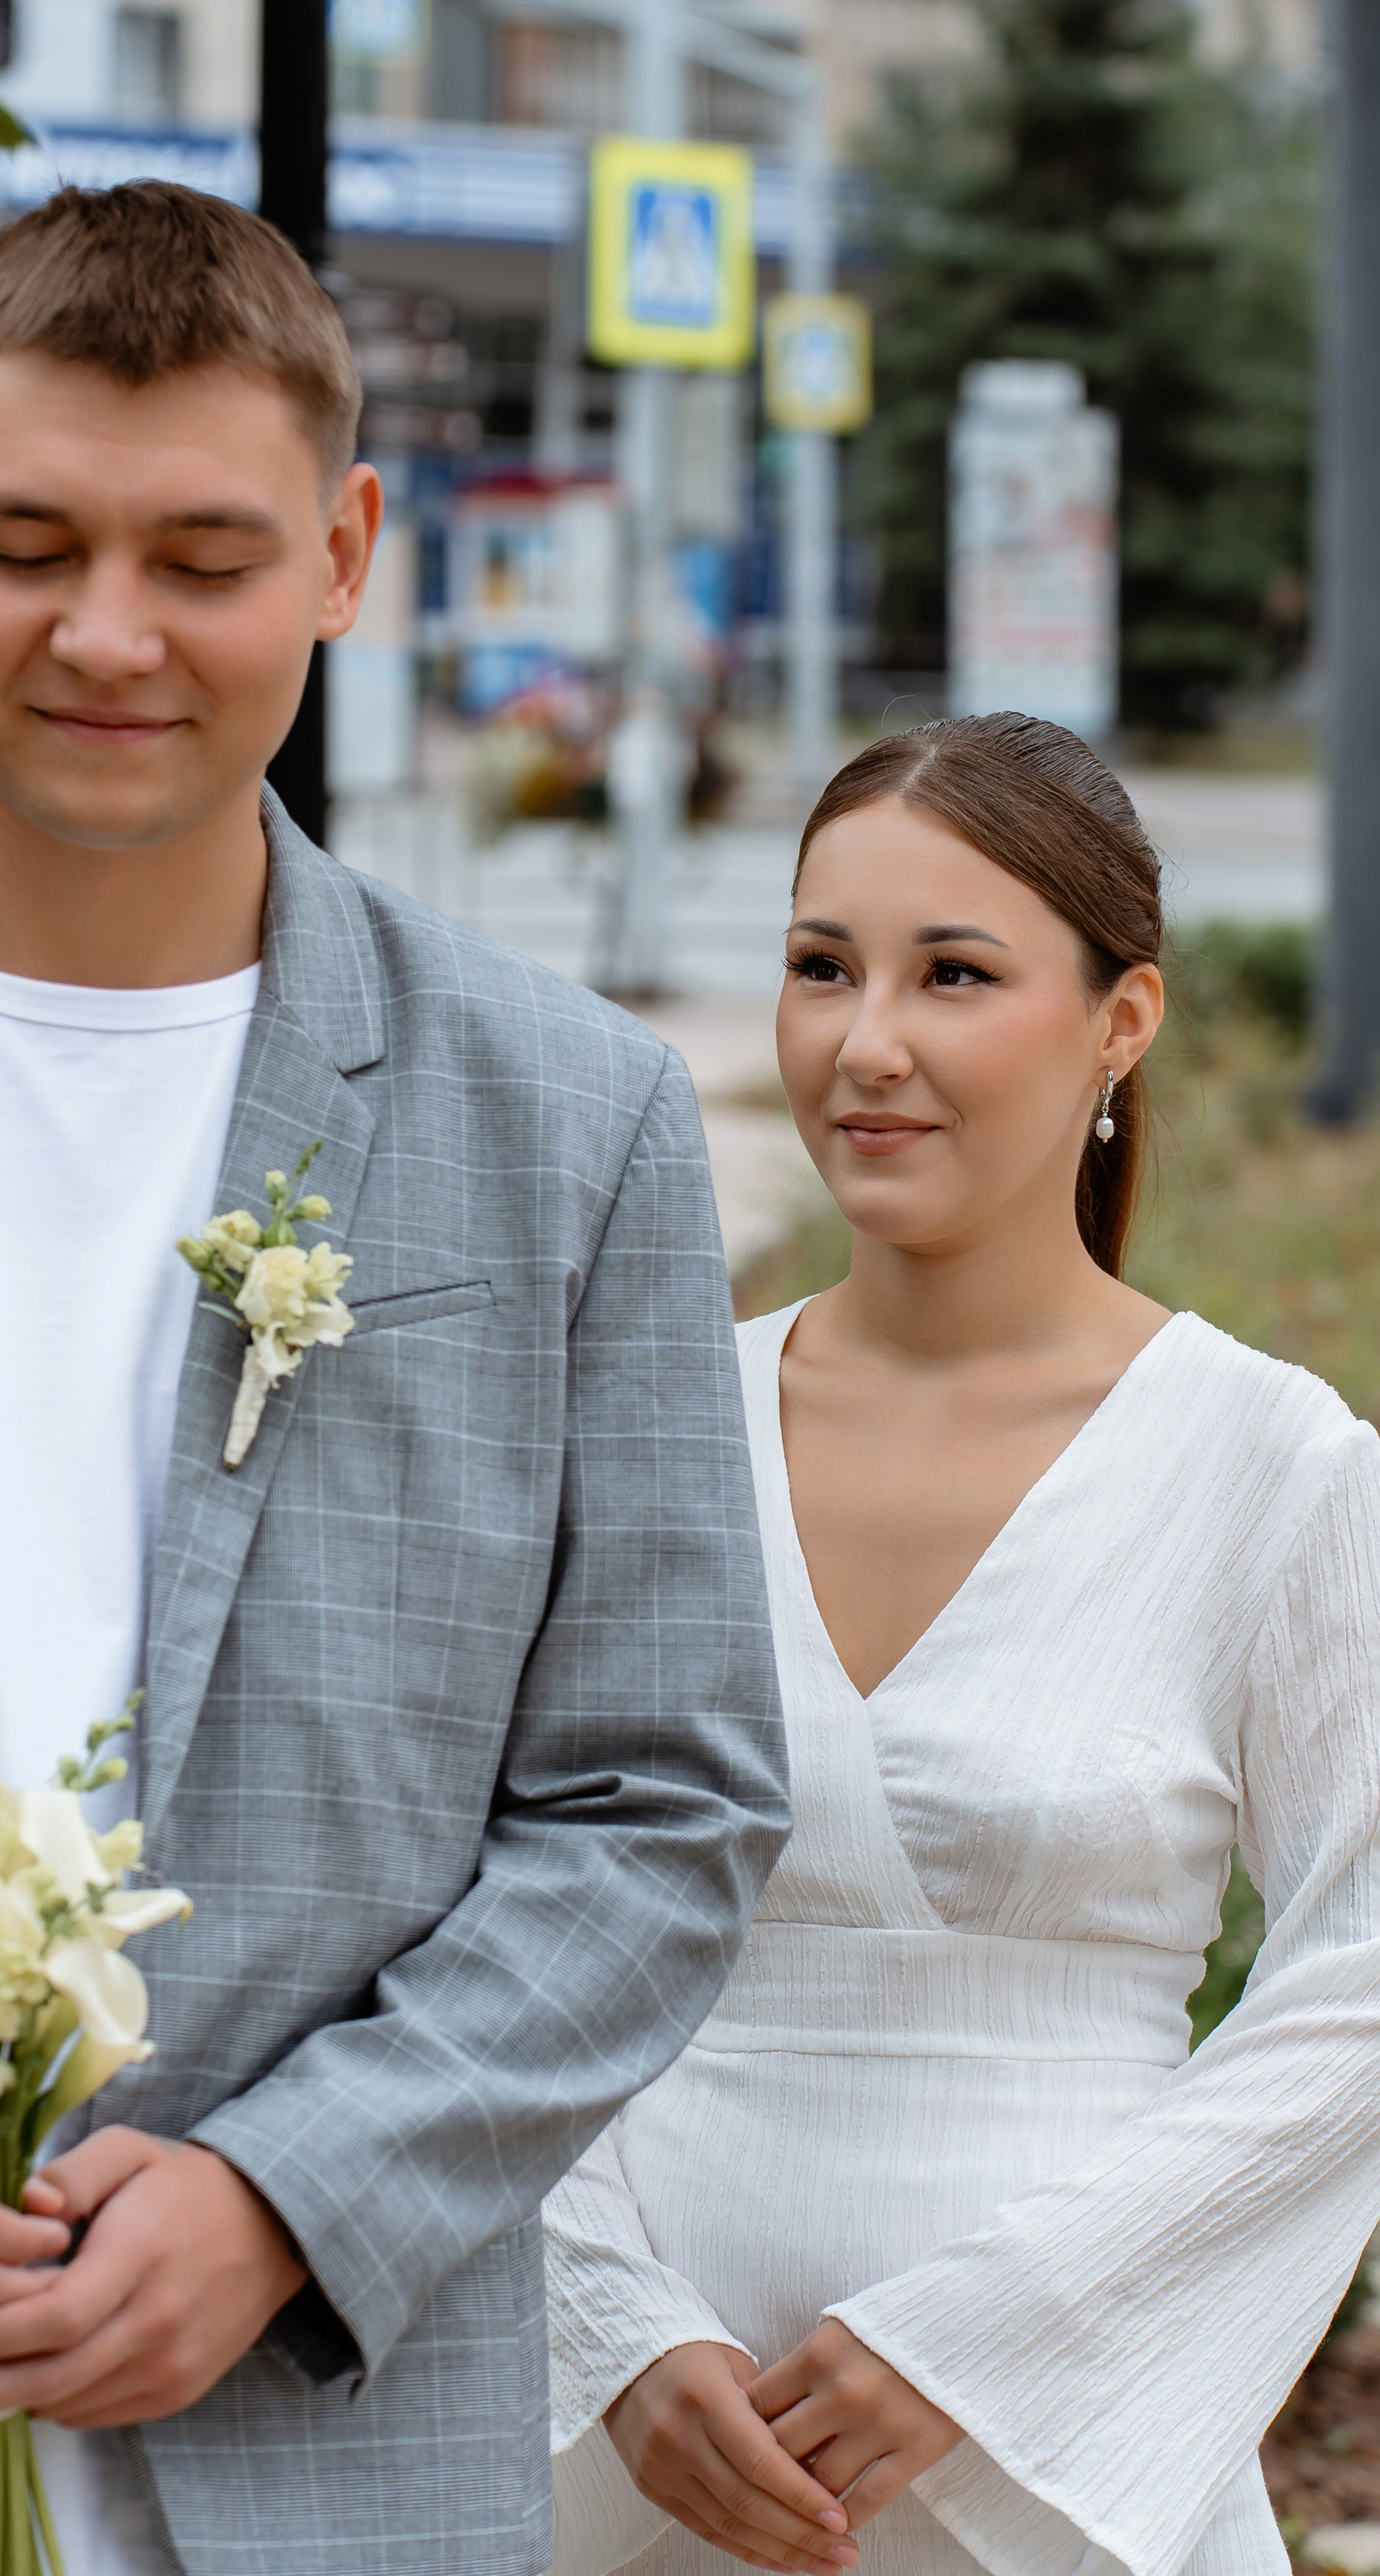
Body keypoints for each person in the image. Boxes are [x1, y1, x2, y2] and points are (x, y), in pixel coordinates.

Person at [0, 182, 807, 2576]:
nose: (107, 633)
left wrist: (300, 2193)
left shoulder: (562, 1114)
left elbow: (657, 1802)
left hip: (315, 2465)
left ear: (343, 549)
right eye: (26, 540)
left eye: (202, 556)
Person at [545, 713, 1380, 2576]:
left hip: (1063, 2470)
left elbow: (1365, 1977)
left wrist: (984, 2347)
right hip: (635, 2455)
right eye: (820, 967)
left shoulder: (1273, 1466)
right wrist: (606, 2327)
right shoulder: (639, 1429)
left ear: (1122, 1023)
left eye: (956, 975)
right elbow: (472, 1898)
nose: (868, 1046)